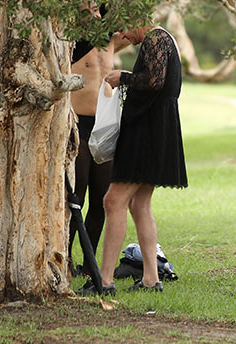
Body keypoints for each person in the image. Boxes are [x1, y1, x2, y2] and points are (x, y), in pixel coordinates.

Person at [78, 23, 187, 295]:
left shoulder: (156, 39)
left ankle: (104, 280)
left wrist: (123, 77)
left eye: (124, 30)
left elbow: (153, 81)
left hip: (147, 132)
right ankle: (151, 278)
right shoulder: (164, 38)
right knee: (140, 203)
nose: (123, 37)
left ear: (138, 19)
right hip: (158, 129)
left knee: (113, 200)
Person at [67, 0, 130, 277]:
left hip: (104, 128)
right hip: (78, 125)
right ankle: (64, 258)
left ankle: (89, 263)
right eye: (87, 10)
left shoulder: (111, 41)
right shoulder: (71, 42)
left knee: (103, 199)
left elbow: (137, 29)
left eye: (96, 9)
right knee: (75, 195)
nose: (93, 15)